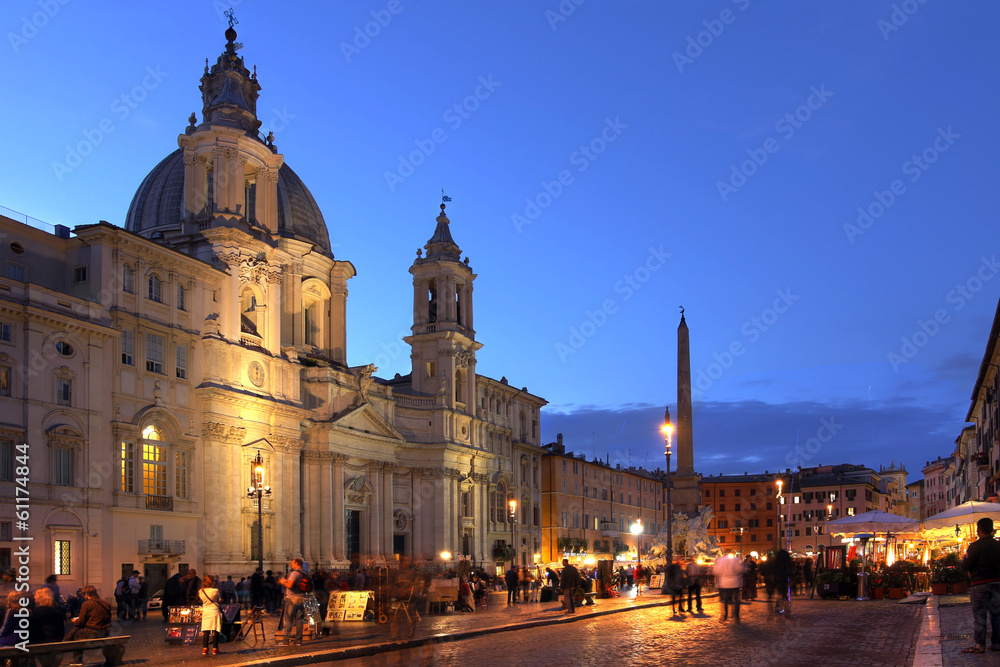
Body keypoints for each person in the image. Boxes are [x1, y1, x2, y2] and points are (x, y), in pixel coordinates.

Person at [962, 517, 1000, 653]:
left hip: (979, 583)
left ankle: (979, 645)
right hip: (997, 582)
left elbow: (965, 565)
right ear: (992, 529)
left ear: (979, 530)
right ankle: (997, 644)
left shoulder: (974, 546)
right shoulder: (998, 545)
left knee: (979, 615)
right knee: (997, 615)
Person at [65, 585, 111, 665]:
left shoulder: (87, 604)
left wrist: (75, 621)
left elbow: (81, 621)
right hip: (105, 632)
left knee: (77, 634)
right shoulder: (106, 603)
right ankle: (65, 641)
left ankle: (77, 660)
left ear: (86, 594)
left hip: (93, 632)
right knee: (77, 631)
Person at [278, 559, 308, 646]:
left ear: (297, 564)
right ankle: (298, 641)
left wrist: (284, 582)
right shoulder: (305, 573)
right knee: (299, 620)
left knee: (288, 619)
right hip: (301, 598)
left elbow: (290, 585)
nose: (291, 565)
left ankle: (286, 640)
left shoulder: (294, 573)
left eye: (292, 564)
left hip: (292, 598)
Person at [714, 553, 744, 623]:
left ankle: (725, 615)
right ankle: (736, 616)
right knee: (736, 599)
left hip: (724, 582)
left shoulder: (720, 560)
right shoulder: (735, 559)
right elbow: (739, 569)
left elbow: (716, 571)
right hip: (735, 581)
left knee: (726, 600)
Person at [199, 575, 223, 655]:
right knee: (215, 630)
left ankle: (205, 649)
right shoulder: (215, 591)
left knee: (206, 630)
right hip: (214, 611)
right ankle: (215, 649)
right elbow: (219, 599)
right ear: (211, 582)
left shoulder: (201, 591)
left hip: (206, 611)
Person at [772, 549, 793, 618]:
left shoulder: (776, 562)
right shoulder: (787, 563)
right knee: (784, 595)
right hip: (784, 579)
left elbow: (772, 571)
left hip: (778, 580)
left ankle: (778, 608)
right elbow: (790, 571)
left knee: (779, 594)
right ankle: (786, 610)